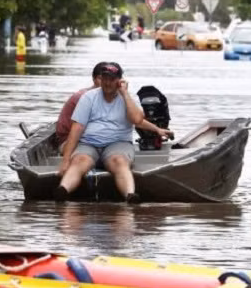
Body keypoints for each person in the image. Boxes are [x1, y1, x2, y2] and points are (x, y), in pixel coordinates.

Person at [54, 62, 172, 204]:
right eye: (105, 78)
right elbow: (76, 128)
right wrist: (65, 160)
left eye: (111, 79)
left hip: (118, 144)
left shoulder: (127, 99)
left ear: (119, 81)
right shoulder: (88, 97)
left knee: (119, 161)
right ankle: (62, 191)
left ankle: (130, 195)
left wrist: (125, 94)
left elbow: (137, 120)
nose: (107, 83)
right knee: (79, 161)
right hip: (89, 143)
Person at [54, 61, 108, 154]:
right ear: (94, 79)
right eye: (101, 78)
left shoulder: (106, 98)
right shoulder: (83, 97)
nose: (105, 83)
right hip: (69, 141)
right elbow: (81, 129)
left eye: (109, 79)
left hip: (89, 140)